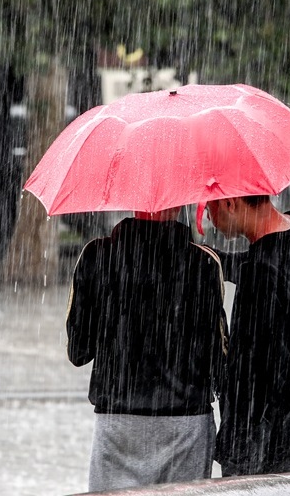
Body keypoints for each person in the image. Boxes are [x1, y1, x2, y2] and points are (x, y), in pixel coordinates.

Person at [66, 207, 227, 491]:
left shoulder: (96, 256)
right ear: (178, 204)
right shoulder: (204, 263)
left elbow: (78, 352)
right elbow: (220, 362)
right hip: (186, 423)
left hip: (118, 422)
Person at [205, 195, 290, 476]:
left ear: (231, 203)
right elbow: (275, 262)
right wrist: (219, 260)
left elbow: (250, 378)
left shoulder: (260, 275)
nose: (208, 218)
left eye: (209, 207)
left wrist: (236, 456)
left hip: (267, 451)